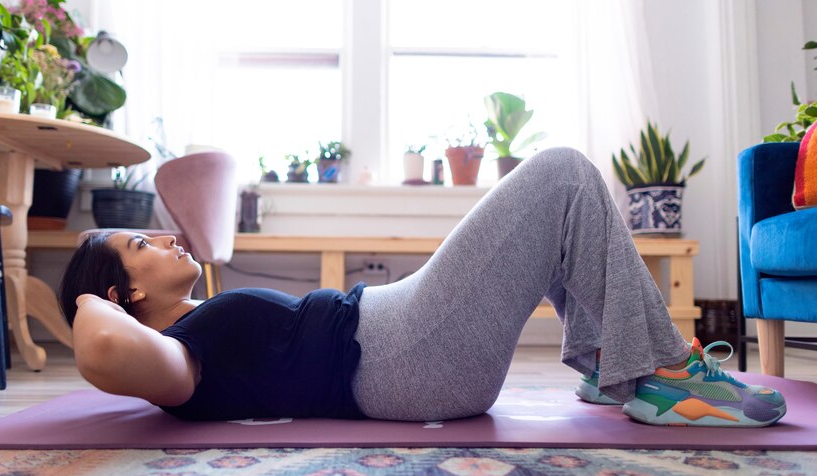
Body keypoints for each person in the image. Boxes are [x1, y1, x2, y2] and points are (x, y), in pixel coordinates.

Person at [59, 148, 787, 427]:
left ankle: (615, 364)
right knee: (563, 174)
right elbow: (99, 352)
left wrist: (110, 291)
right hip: (407, 356)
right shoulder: (181, 356)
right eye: (138, 244)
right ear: (124, 295)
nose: (161, 236)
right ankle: (660, 374)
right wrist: (88, 301)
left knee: (557, 211)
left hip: (402, 330)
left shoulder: (199, 319)